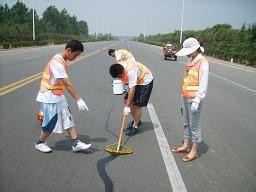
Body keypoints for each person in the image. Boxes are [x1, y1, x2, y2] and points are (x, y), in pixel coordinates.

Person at [35, 40, 91, 153]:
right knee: (50, 122)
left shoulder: (60, 59)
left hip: (58, 96)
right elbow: (68, 84)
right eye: (75, 55)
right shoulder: (57, 63)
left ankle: (76, 143)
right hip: (49, 97)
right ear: (69, 50)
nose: (75, 58)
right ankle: (39, 143)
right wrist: (79, 100)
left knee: (68, 118)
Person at [171, 37, 209, 162]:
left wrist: (197, 100)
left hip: (194, 99)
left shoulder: (203, 62)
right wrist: (183, 95)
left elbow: (203, 84)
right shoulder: (191, 59)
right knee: (186, 122)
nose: (187, 53)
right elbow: (188, 79)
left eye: (188, 50)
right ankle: (186, 145)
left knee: (195, 126)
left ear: (194, 49)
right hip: (185, 96)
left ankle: (194, 151)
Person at [109, 60, 153, 135]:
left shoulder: (131, 72)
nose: (120, 79)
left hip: (145, 81)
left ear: (122, 71)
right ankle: (137, 120)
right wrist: (127, 104)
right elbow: (128, 86)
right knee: (126, 100)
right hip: (135, 80)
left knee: (137, 105)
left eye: (120, 77)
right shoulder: (118, 66)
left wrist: (127, 107)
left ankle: (135, 126)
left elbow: (132, 90)